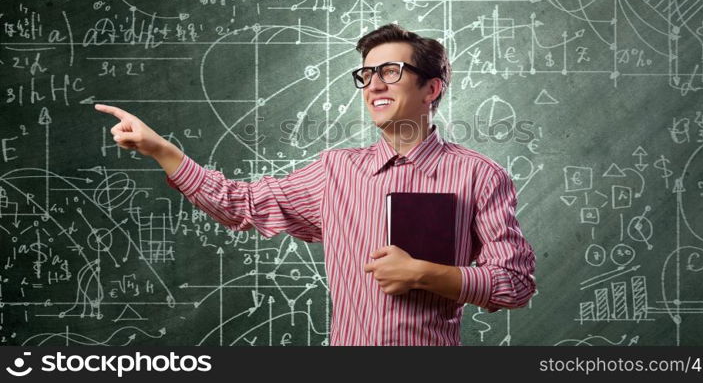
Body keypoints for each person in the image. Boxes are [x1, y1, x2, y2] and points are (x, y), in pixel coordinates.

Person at [94, 23, 536, 346]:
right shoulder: (335, 171)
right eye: (366, 75)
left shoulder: (480, 176)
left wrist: (425, 273)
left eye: (391, 72)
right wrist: (162, 151)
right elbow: (242, 204)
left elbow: (514, 283)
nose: (373, 85)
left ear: (432, 88)